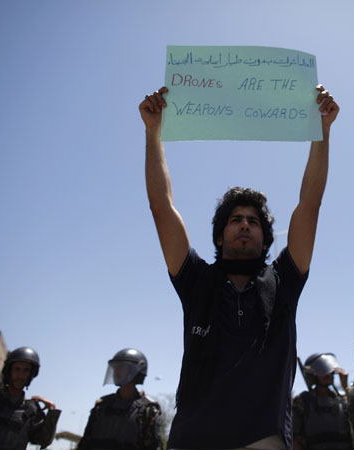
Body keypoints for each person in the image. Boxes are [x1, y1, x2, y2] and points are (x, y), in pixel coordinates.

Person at [140, 84, 339, 450]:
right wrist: (153, 132)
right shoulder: (196, 280)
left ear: (265, 239)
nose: (245, 225)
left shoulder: (284, 280)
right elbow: (161, 207)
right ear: (220, 237)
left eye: (253, 221)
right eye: (235, 219)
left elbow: (310, 203)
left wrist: (322, 131)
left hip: (265, 441)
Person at [78, 349, 162, 450]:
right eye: (115, 367)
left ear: (135, 370)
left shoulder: (148, 410)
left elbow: (154, 446)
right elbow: (85, 444)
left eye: (121, 367)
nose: (115, 371)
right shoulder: (101, 406)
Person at [292, 352, 352, 450]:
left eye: (330, 372)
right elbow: (296, 439)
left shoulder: (343, 400)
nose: (328, 375)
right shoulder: (303, 401)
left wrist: (345, 387)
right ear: (313, 375)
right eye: (323, 372)